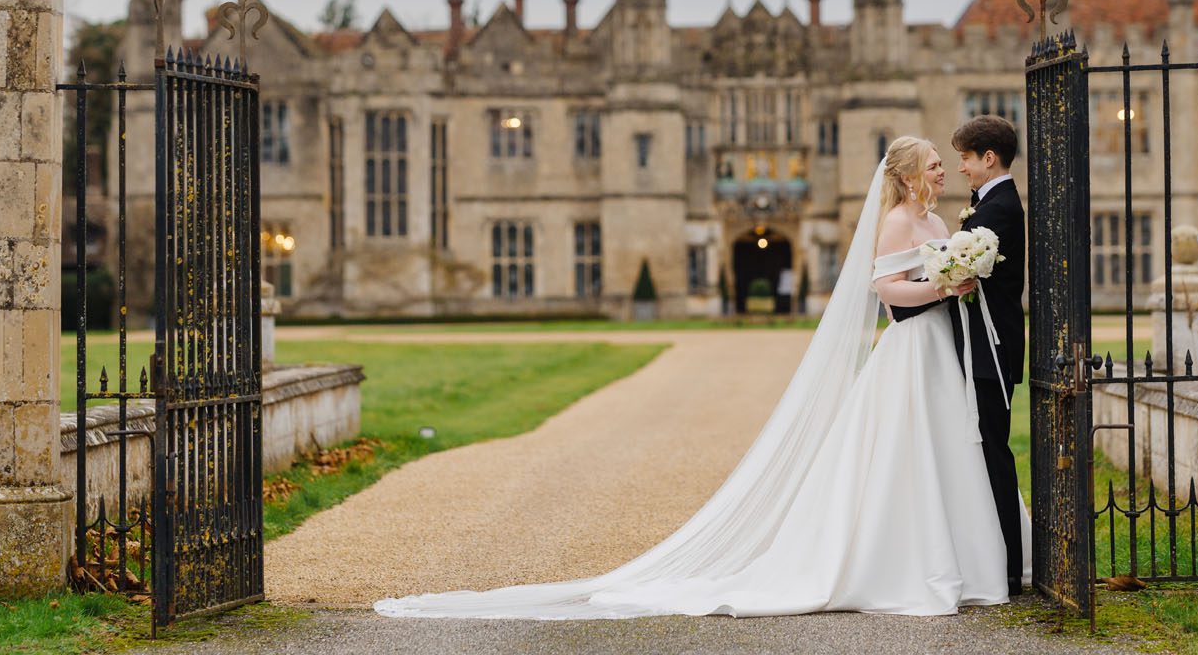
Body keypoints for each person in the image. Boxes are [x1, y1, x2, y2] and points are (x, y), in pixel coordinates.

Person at [375, 136, 1015, 619]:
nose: (944, 167)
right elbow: (886, 290)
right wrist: (945, 283)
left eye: (945, 160)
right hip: (911, 347)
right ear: (906, 175)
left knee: (943, 452)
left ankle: (962, 563)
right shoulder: (900, 220)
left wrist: (953, 282)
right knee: (903, 455)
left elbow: (929, 281)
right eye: (934, 161)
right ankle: (904, 563)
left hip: (940, 351)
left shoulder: (941, 222)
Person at [948, 115, 1027, 596]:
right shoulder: (989, 203)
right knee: (983, 448)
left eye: (965, 158)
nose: (962, 168)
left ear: (988, 158)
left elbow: (973, 281)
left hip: (990, 350)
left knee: (994, 449)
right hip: (982, 345)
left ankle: (1008, 567)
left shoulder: (996, 209)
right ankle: (994, 558)